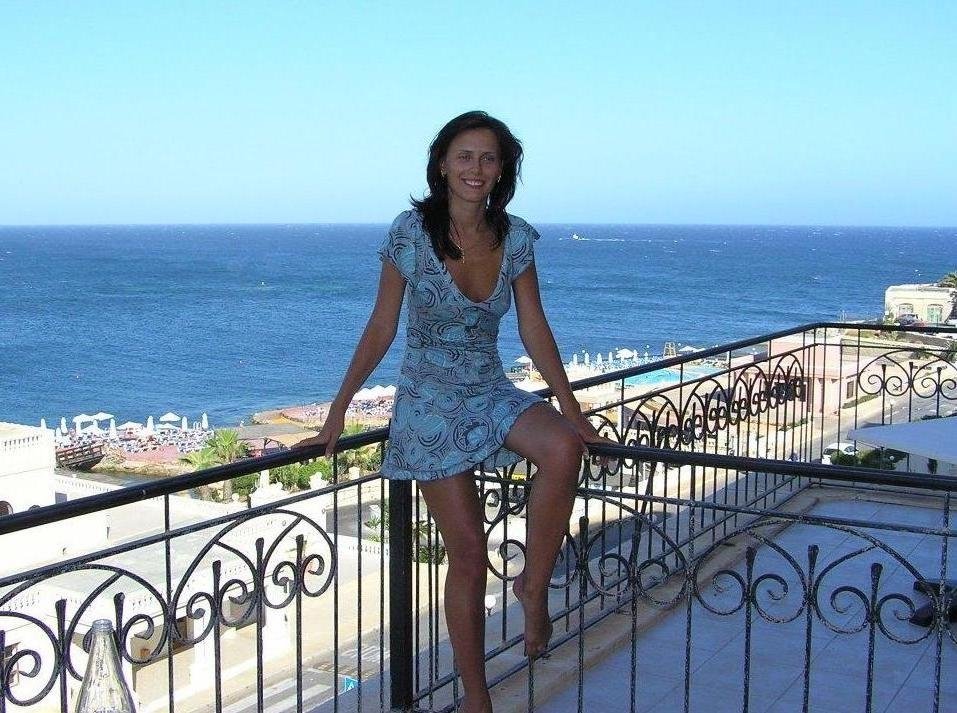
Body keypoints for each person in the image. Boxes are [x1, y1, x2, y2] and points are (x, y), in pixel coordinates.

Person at [296, 110, 602, 713]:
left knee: (564, 447)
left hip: (488, 387)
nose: (475, 168)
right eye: (465, 156)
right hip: (429, 404)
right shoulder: (410, 233)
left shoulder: (516, 239)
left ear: (503, 170)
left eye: (489, 158)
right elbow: (381, 326)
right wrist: (338, 411)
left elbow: (534, 327)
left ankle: (533, 585)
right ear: (441, 164)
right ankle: (475, 696)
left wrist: (571, 409)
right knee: (468, 553)